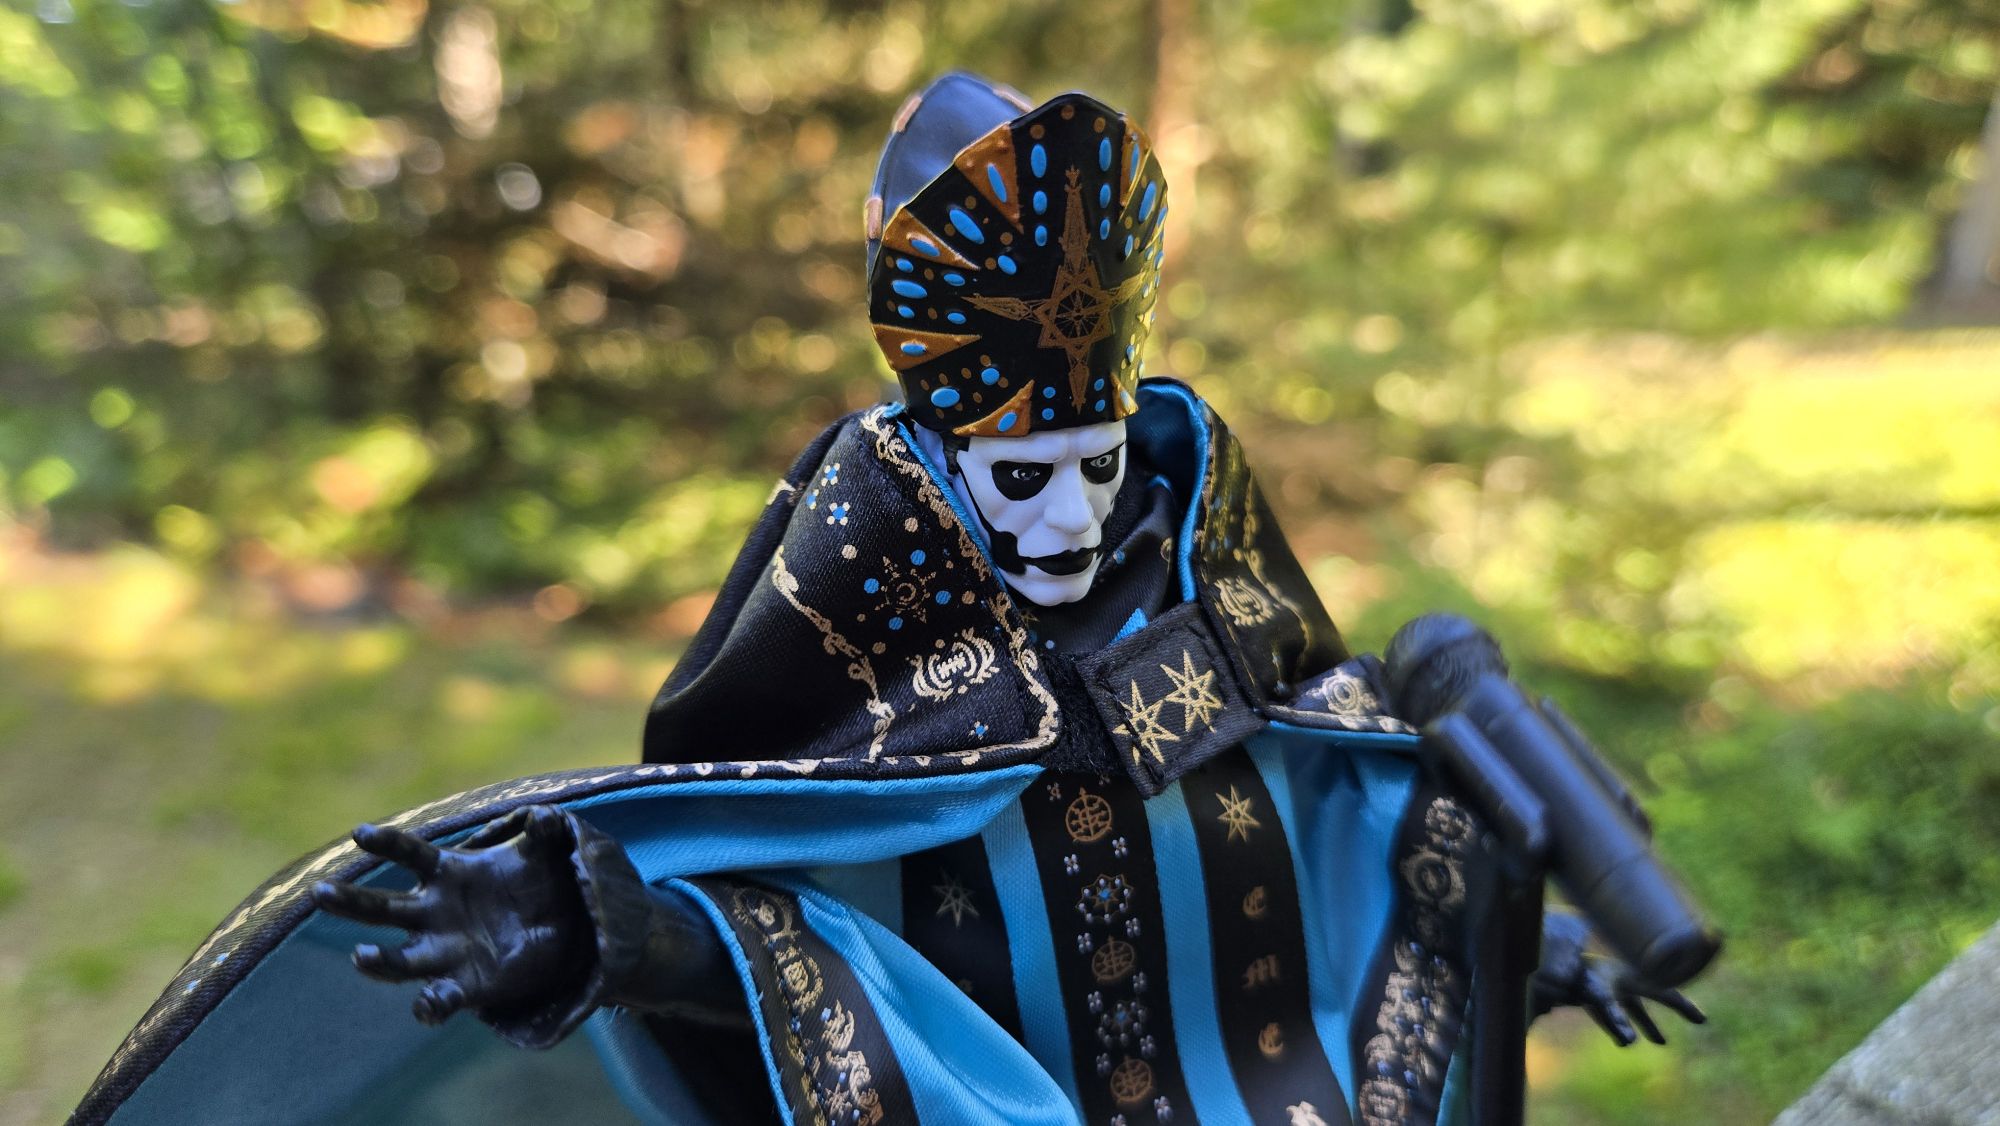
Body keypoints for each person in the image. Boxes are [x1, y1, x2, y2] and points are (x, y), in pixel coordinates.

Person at [72, 75, 1700, 1126]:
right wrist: (623, 933)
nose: (1073, 515)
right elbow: (809, 919)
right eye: (1022, 476)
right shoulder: (868, 617)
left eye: (1096, 462)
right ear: (944, 460)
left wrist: (1507, 924)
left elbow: (1320, 801)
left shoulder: (1195, 575)